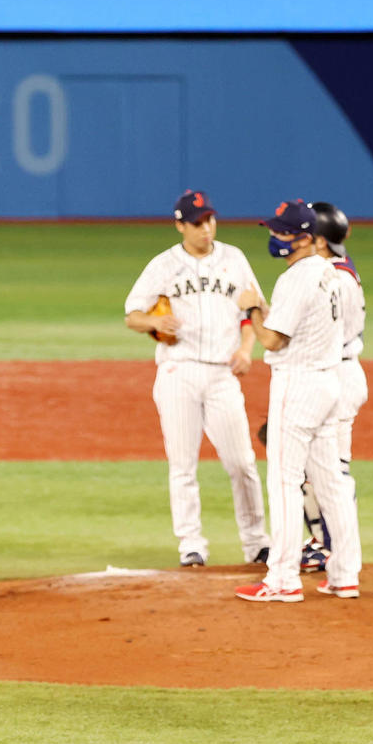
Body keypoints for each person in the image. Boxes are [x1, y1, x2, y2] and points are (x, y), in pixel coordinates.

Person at [124, 190, 269, 567]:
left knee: (242, 463)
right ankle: (191, 545)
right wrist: (154, 321)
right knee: (183, 464)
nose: (207, 228)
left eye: (210, 220)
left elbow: (255, 307)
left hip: (223, 373)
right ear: (180, 226)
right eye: (197, 223)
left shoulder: (234, 259)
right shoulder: (163, 265)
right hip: (178, 370)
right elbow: (131, 314)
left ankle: (257, 543)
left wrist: (246, 349)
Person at [233, 200, 361, 602]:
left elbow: (274, 340)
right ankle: (344, 575)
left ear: (304, 238)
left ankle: (282, 579)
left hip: (299, 385)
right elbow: (297, 325)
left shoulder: (296, 278)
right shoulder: (330, 273)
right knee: (332, 484)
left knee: (285, 481)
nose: (274, 237)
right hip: (328, 385)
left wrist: (252, 307)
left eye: (281, 232)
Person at [298, 201, 367, 572]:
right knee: (312, 471)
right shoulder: (337, 267)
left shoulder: (334, 279)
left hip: (335, 375)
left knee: (333, 472)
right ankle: (323, 544)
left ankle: (338, 551)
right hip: (333, 373)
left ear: (321, 241)